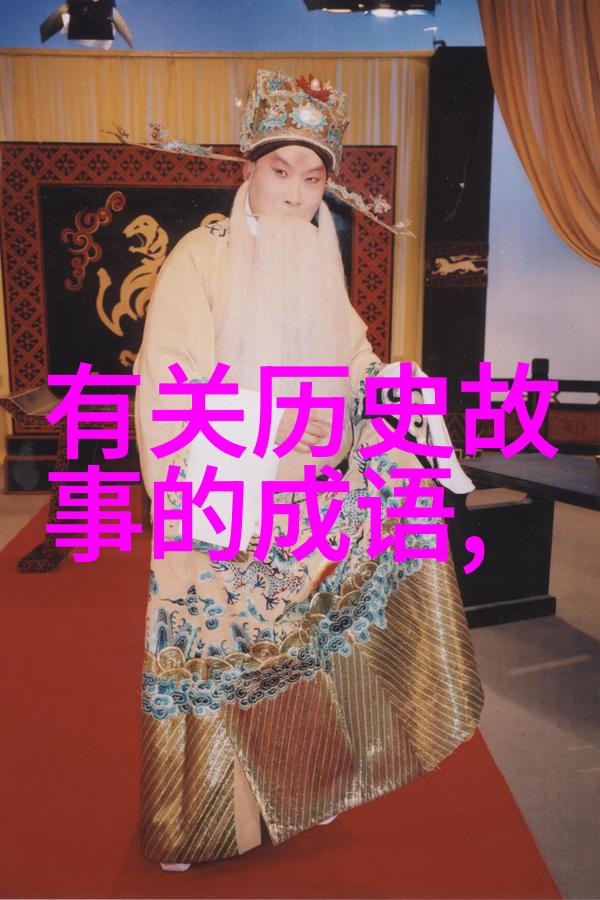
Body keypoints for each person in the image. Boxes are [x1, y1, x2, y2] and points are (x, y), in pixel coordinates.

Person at [134, 69, 484, 869]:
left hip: (304, 495)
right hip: (222, 488)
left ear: (328, 186)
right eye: (279, 171)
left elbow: (353, 361)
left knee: (297, 651)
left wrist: (387, 389)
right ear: (248, 170)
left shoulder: (321, 259)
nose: (295, 194)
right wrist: (268, 436)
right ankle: (201, 824)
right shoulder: (203, 257)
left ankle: (294, 794)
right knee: (218, 662)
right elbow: (169, 386)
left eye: (313, 178)